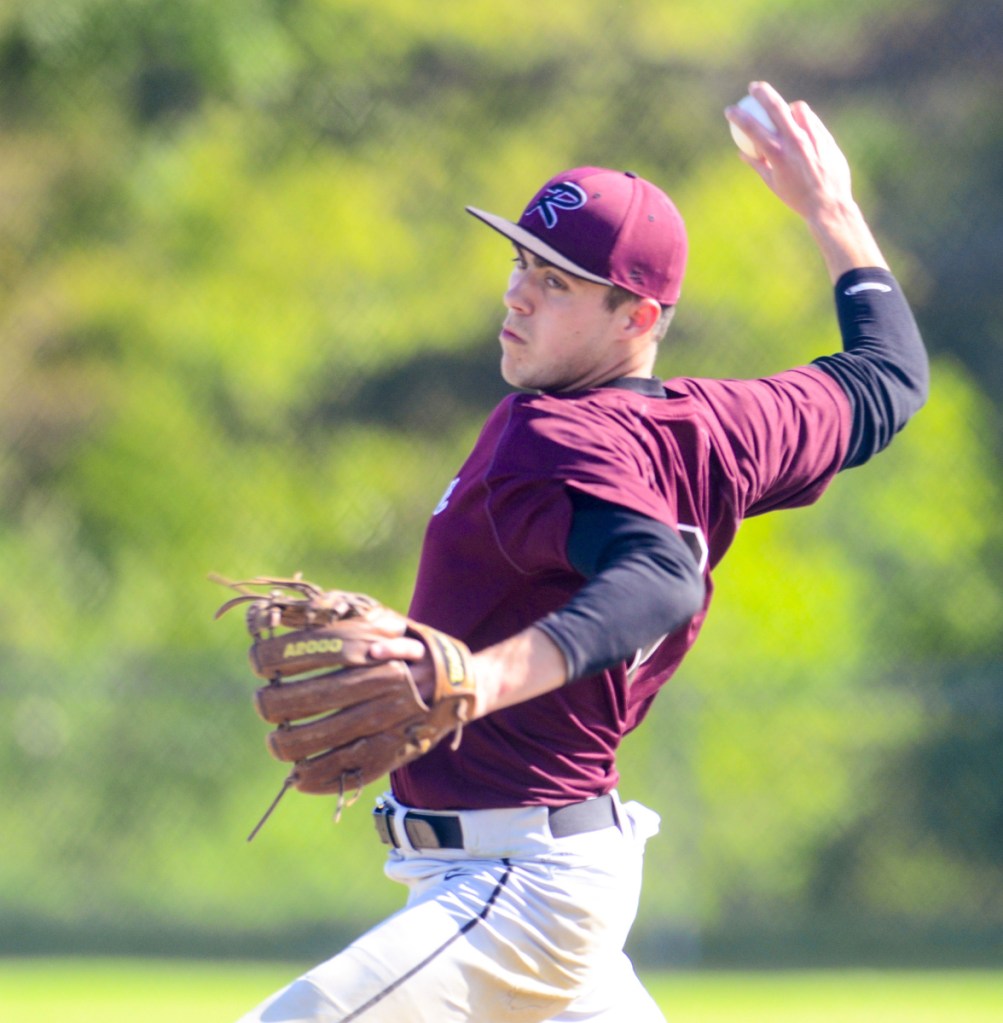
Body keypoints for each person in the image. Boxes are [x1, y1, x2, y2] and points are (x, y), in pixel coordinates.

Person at [238, 81, 928, 1023]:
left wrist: (479, 678)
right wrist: (830, 209)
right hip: (550, 873)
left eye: (556, 282)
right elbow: (886, 378)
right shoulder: (717, 428)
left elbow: (659, 579)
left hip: (517, 888)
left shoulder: (549, 439)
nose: (518, 293)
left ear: (636, 318)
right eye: (523, 262)